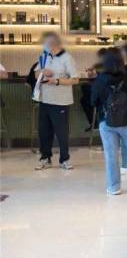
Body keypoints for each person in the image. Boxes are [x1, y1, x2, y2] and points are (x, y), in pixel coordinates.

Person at [91, 51, 127, 195]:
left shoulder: (100, 80)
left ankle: (114, 187)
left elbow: (93, 101)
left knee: (111, 154)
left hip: (106, 122)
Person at [34, 32, 79, 170]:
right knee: (44, 131)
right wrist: (42, 72)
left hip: (60, 102)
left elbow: (75, 79)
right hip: (44, 99)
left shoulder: (67, 58)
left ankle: (64, 159)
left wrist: (57, 81)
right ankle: (45, 158)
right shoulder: (44, 56)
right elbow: (36, 73)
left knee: (61, 132)